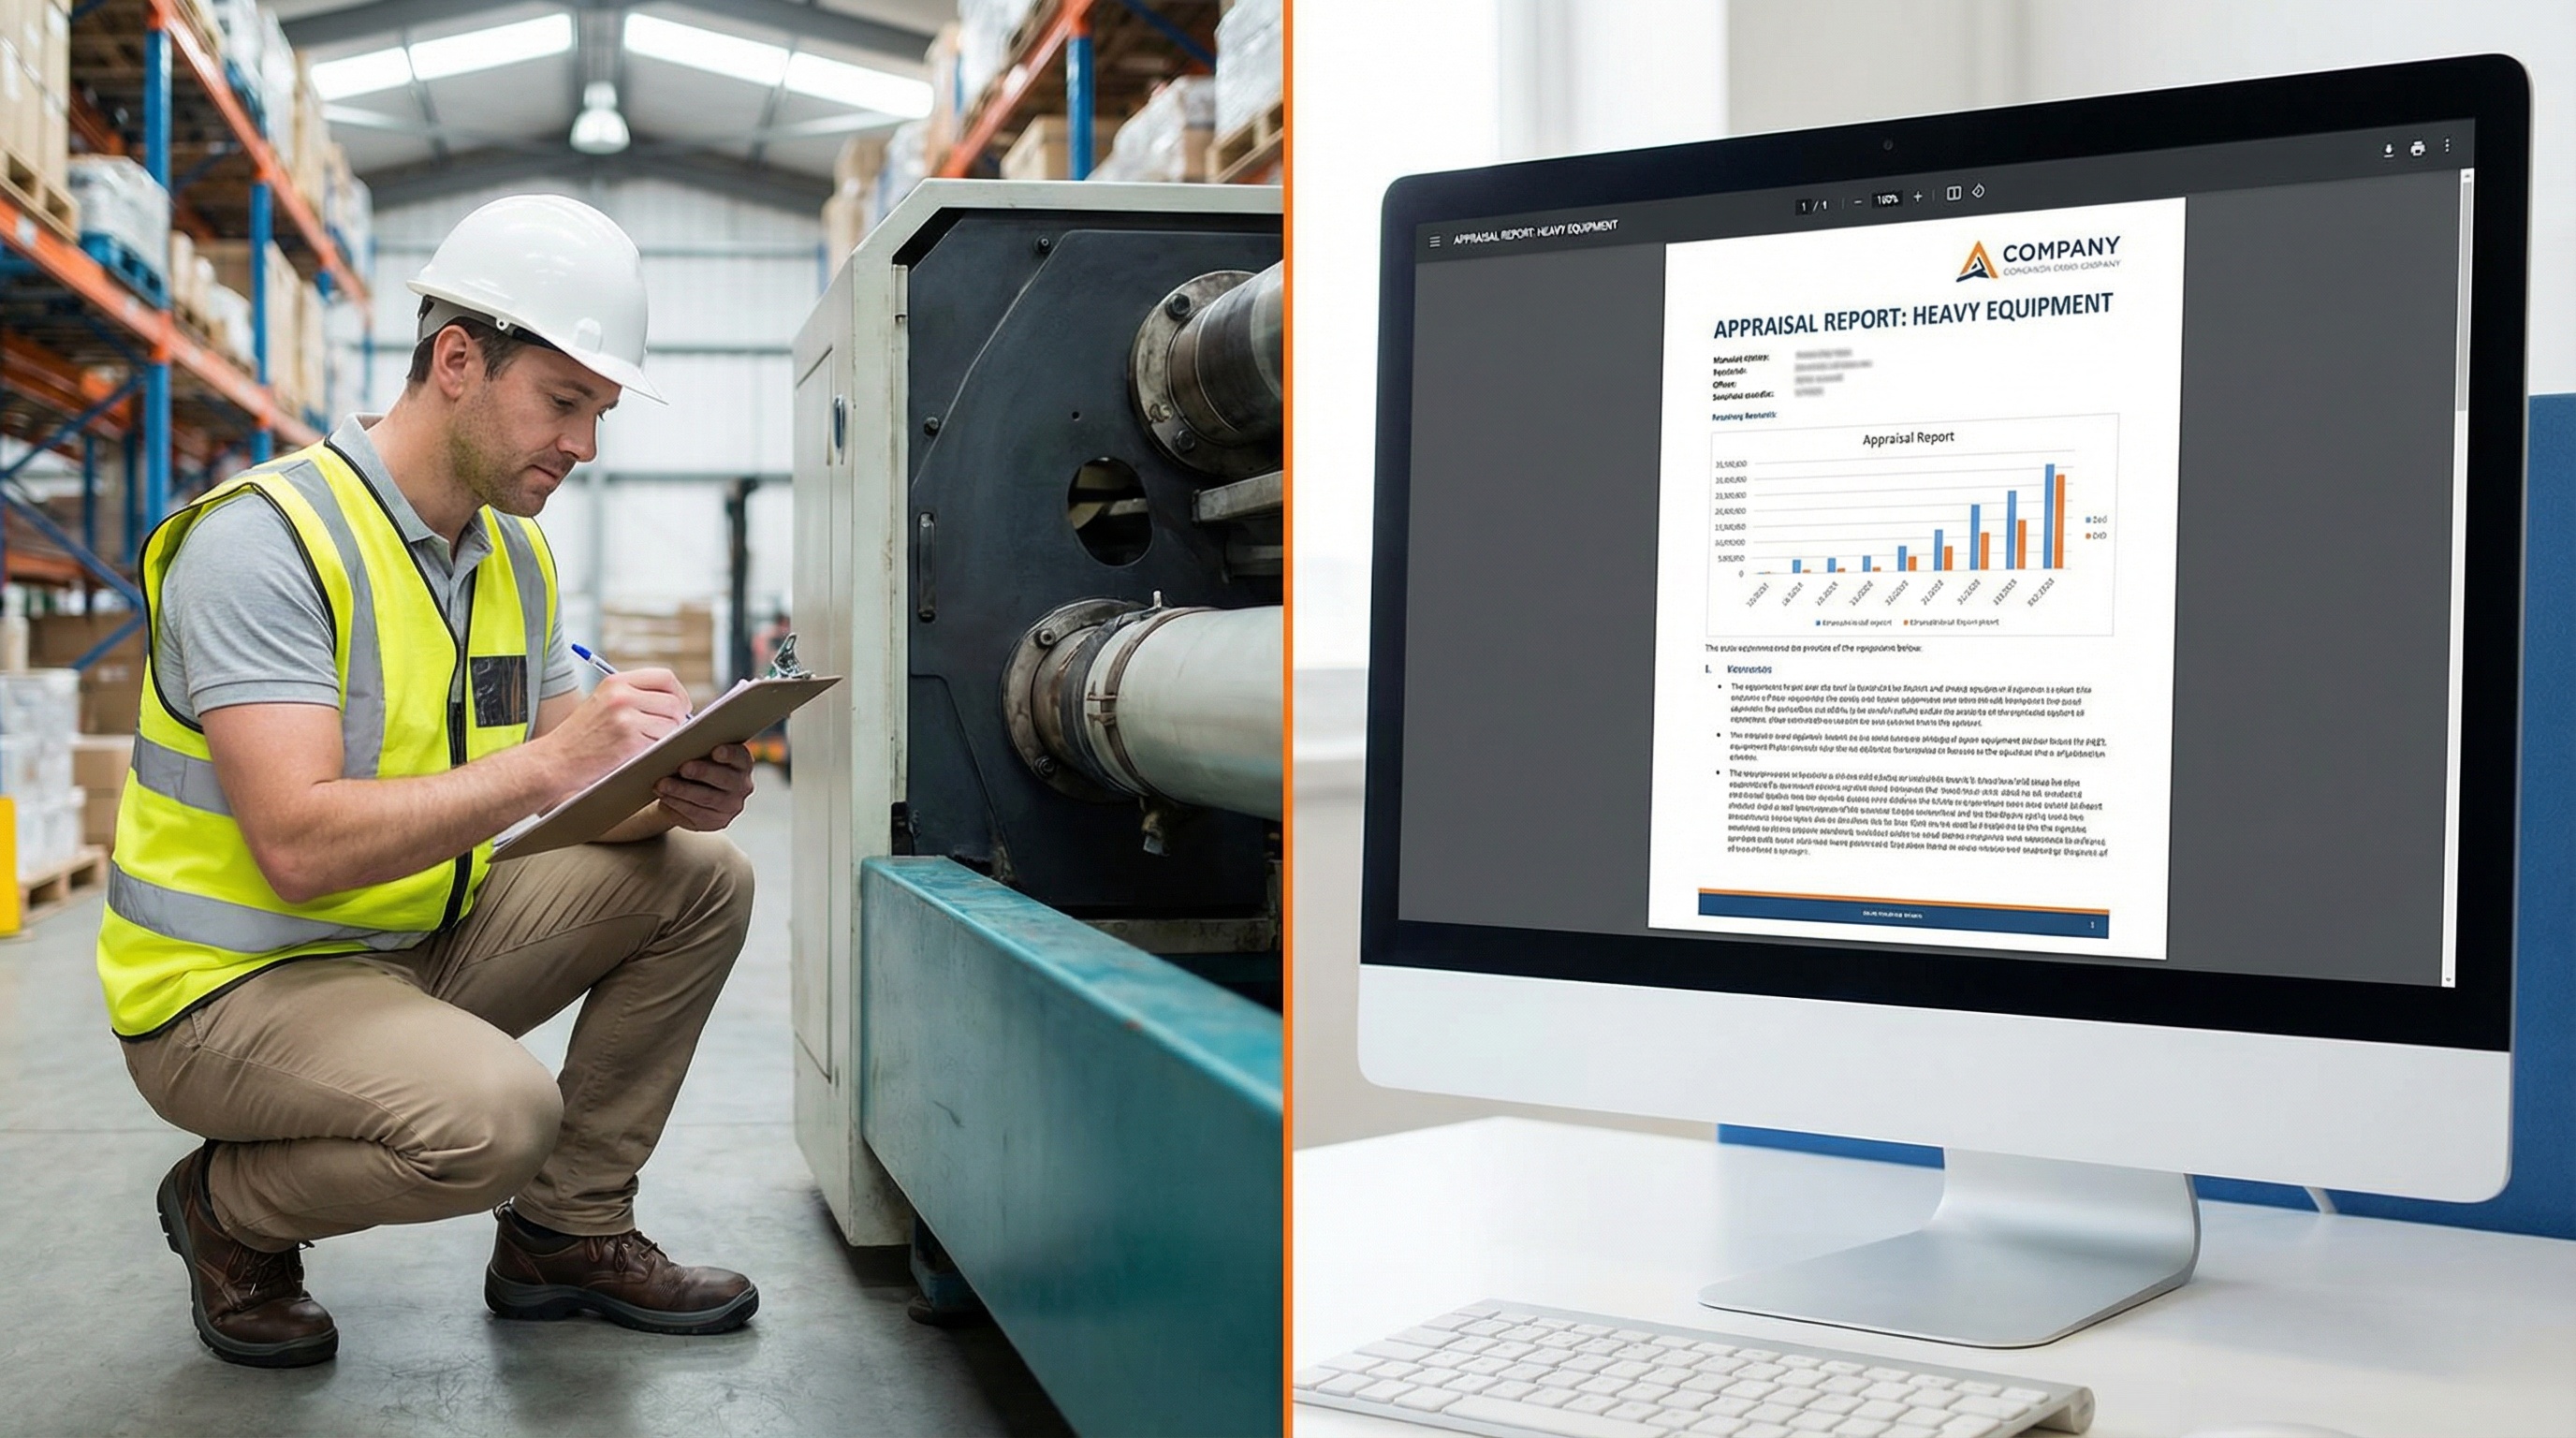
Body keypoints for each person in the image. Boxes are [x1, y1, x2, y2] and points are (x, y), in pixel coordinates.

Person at [97, 194, 762, 1369]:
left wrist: (675, 788)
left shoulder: (510, 549)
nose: (584, 446)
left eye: (598, 412)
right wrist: (556, 760)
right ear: (457, 359)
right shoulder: (264, 542)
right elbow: (299, 844)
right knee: (496, 1119)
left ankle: (567, 1233)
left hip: (406, 941)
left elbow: (582, 789)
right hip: (230, 988)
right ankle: (225, 1213)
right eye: (564, 403)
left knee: (701, 875)